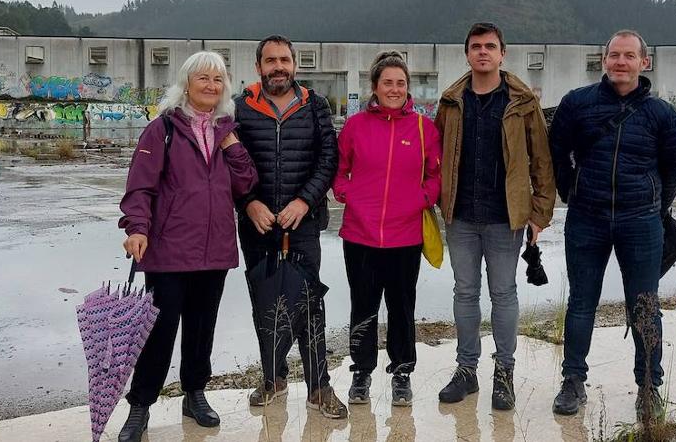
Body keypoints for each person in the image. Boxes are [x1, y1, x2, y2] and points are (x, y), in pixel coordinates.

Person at [116, 51, 258, 440]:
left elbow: (246, 183)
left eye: (218, 80)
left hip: (214, 250)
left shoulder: (227, 130)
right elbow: (140, 186)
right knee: (159, 332)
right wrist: (136, 228)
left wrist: (230, 143)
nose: (211, 86)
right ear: (186, 83)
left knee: (201, 329)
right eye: (203, 79)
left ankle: (194, 394)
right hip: (170, 251)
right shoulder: (162, 129)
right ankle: (140, 406)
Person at [548, 30, 676, 422]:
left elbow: (673, 168)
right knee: (580, 303)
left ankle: (648, 387)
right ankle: (573, 380)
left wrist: (655, 203)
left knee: (645, 306)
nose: (620, 62)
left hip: (640, 222)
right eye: (614, 55)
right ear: (603, 60)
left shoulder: (662, 114)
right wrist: (569, 190)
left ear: (645, 62)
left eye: (629, 56)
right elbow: (556, 149)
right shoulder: (577, 104)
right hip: (586, 218)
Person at [435, 22, 557, 411]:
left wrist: (540, 213)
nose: (483, 52)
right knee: (465, 293)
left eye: (490, 46)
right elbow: (434, 158)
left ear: (502, 53)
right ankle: (466, 371)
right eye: (476, 46)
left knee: (504, 294)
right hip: (461, 217)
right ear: (467, 53)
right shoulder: (451, 101)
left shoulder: (522, 102)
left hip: (507, 218)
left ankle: (504, 373)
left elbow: (542, 162)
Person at [235, 35, 348, 419]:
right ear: (258, 66)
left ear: (294, 65)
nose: (278, 66)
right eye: (271, 60)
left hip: (303, 223)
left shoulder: (314, 105)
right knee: (264, 304)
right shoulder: (239, 108)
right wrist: (248, 203)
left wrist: (306, 200)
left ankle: (319, 386)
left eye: (285, 59)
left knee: (309, 304)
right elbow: (230, 165)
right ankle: (273, 377)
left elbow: (328, 158)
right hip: (257, 225)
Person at [333, 51, 441, 407]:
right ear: (375, 87)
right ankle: (361, 371)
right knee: (363, 306)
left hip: (406, 235)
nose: (394, 89)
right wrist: (348, 194)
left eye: (400, 83)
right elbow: (340, 169)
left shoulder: (424, 128)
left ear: (408, 87)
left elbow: (435, 175)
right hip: (360, 234)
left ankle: (402, 372)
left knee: (401, 306)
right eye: (387, 83)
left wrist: (422, 199)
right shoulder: (355, 126)